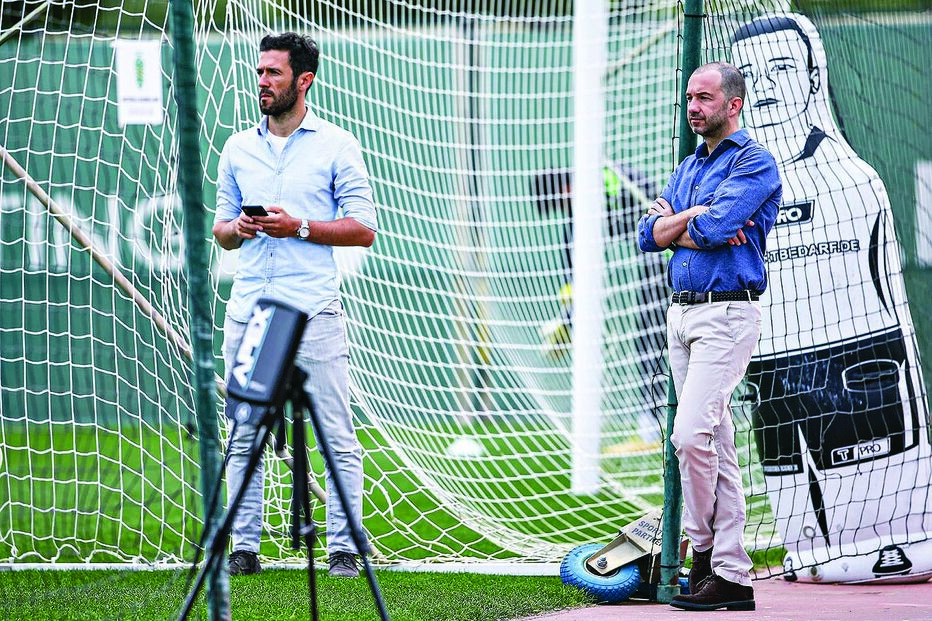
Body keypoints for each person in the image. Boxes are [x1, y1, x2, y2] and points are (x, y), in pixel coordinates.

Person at [732, 14, 932, 584]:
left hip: (858, 359)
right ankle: (806, 556)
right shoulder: (732, 184)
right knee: (794, 489)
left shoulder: (851, 177)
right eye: (750, 74)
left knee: (875, 476)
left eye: (781, 68)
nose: (765, 85)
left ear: (815, 77)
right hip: (771, 365)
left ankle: (905, 547)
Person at [212, 32, 376, 578]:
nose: (262, 82)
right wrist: (240, 227)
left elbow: (363, 229)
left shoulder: (337, 145)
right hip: (250, 311)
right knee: (244, 433)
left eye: (273, 74)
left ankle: (344, 548)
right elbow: (221, 232)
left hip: (314, 311)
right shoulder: (237, 147)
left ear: (302, 81)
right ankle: (244, 545)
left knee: (335, 434)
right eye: (259, 73)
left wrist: (298, 226)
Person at [637, 61, 782, 611]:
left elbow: (716, 230)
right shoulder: (687, 166)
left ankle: (703, 554)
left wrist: (685, 223)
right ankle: (731, 577)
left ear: (733, 104)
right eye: (690, 97)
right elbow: (647, 238)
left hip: (727, 316)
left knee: (689, 435)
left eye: (704, 98)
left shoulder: (755, 163)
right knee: (715, 447)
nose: (693, 106)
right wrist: (686, 221)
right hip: (680, 315)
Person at [532, 165, 668, 452]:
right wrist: (567, 317)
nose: (564, 209)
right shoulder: (582, 207)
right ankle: (653, 426)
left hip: (669, 247)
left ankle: (656, 427)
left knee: (652, 338)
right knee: (649, 337)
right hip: (653, 253)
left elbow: (650, 198)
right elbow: (574, 261)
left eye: (559, 204)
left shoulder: (604, 183)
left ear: (563, 190)